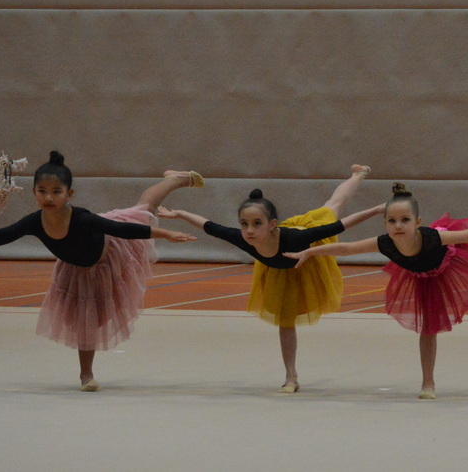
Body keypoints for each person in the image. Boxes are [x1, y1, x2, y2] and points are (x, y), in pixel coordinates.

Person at [0, 151, 199, 391]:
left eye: (56, 192)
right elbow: (5, 234)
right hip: (76, 269)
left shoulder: (82, 218)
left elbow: (120, 229)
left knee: (145, 209)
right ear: (34, 192)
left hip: (110, 253)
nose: (48, 198)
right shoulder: (34, 222)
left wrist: (166, 234)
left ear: (69, 194)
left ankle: (174, 179)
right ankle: (86, 375)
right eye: (42, 191)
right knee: (88, 321)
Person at [157, 165, 382, 392]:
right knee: (285, 322)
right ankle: (291, 376)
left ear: (271, 224)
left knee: (332, 207)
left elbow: (341, 225)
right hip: (278, 272)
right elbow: (210, 227)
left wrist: (377, 210)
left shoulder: (296, 238)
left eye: (257, 224)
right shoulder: (244, 238)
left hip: (307, 253)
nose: (249, 231)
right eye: (244, 224)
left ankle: (358, 174)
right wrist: (181, 214)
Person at [286, 183, 468, 399]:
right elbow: (346, 248)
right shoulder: (384, 242)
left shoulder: (432, 237)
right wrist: (310, 252)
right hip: (422, 275)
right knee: (428, 329)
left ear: (417, 222)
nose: (398, 226)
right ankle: (428, 383)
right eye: (392, 221)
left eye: (405, 220)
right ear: (385, 223)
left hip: (449, 259)